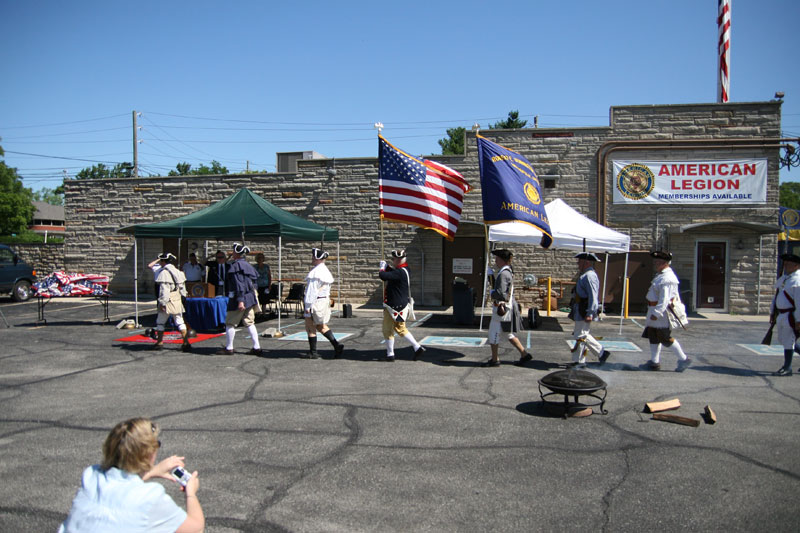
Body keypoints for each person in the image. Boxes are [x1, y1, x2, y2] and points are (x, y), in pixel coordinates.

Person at [58, 417, 204, 533]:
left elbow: (120, 490)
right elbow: (196, 528)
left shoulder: (91, 475)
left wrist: (153, 471)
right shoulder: (150, 496)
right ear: (147, 453)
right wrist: (191, 493)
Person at [641, 251, 691, 372]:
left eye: (658, 262)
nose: (656, 264)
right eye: (655, 262)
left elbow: (664, 300)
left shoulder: (668, 278)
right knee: (653, 336)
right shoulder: (661, 275)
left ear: (665, 263)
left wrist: (656, 313)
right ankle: (654, 362)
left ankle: (684, 359)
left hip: (662, 314)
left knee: (664, 338)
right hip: (654, 309)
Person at [484, 249, 532, 367]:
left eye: (497, 258)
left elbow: (501, 293)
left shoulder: (504, 273)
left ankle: (495, 359)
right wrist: (491, 277)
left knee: (493, 333)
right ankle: (524, 354)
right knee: (508, 333)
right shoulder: (507, 271)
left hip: (502, 308)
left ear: (501, 260)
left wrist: (492, 292)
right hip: (507, 307)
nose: (495, 260)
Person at [378, 249, 425, 362]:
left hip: (393, 306)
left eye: (394, 259)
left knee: (387, 329)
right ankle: (417, 347)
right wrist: (387, 266)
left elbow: (383, 276)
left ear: (398, 260)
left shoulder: (399, 272)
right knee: (400, 328)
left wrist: (381, 268)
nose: (393, 261)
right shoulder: (405, 269)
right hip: (400, 304)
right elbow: (392, 273)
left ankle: (390, 354)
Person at [216, 243, 262, 356]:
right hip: (250, 297)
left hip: (238, 298)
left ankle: (229, 348)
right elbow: (255, 283)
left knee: (230, 323)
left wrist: (241, 300)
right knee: (250, 322)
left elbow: (239, 285)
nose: (232, 253)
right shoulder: (248, 266)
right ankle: (257, 347)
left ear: (237, 253)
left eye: (234, 252)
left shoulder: (236, 266)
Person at [569, 252, 611, 367]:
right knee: (580, 334)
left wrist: (590, 312)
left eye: (580, 262)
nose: (578, 264)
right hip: (580, 308)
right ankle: (581, 360)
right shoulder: (584, 274)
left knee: (581, 335)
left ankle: (599, 353)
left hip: (584, 308)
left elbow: (593, 295)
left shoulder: (590, 276)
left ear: (586, 262)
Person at [301, 248, 344, 359]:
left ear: (317, 258)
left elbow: (311, 292)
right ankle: (336, 345)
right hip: (323, 301)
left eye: (313, 257)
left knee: (310, 327)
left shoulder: (315, 273)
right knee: (321, 326)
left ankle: (313, 352)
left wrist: (307, 306)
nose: (312, 259)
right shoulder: (325, 271)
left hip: (315, 302)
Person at [147, 253, 191, 352]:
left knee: (160, 321)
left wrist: (163, 303)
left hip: (168, 299)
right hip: (177, 297)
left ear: (163, 261)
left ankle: (159, 342)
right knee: (179, 321)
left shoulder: (164, 273)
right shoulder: (177, 271)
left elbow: (164, 290)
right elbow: (182, 288)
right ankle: (185, 342)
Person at [770, 253, 800, 376]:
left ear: (797, 266)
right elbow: (776, 295)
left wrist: (798, 320)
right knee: (783, 340)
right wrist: (773, 312)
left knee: (788, 341)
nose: (786, 266)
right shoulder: (784, 278)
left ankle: (787, 368)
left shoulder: (797, 281)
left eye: (789, 264)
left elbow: (799, 303)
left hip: (791, 315)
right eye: (785, 264)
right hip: (782, 314)